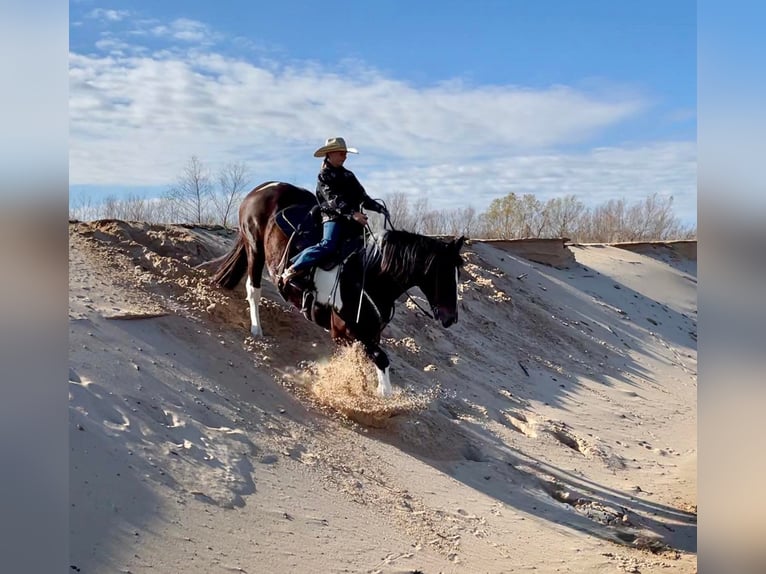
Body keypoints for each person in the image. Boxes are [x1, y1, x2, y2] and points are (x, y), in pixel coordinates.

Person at [280, 137, 388, 285]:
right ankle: (294, 267)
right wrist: (352, 213)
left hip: (353, 221)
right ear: (330, 154)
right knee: (328, 245)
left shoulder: (349, 176)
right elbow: (333, 200)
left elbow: (362, 197)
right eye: (342, 154)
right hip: (333, 218)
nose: (345, 157)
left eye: (345, 154)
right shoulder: (324, 176)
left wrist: (379, 208)